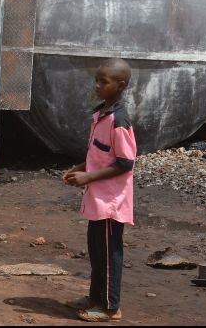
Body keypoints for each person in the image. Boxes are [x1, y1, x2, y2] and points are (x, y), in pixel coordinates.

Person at [62, 58, 136, 323]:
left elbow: (125, 163)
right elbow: (98, 153)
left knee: (108, 254)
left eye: (103, 82)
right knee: (96, 250)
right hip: (98, 198)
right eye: (96, 80)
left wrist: (89, 176)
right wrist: (79, 168)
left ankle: (109, 306)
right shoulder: (102, 114)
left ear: (120, 85)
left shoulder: (119, 120)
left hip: (111, 202)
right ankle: (95, 297)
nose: (97, 85)